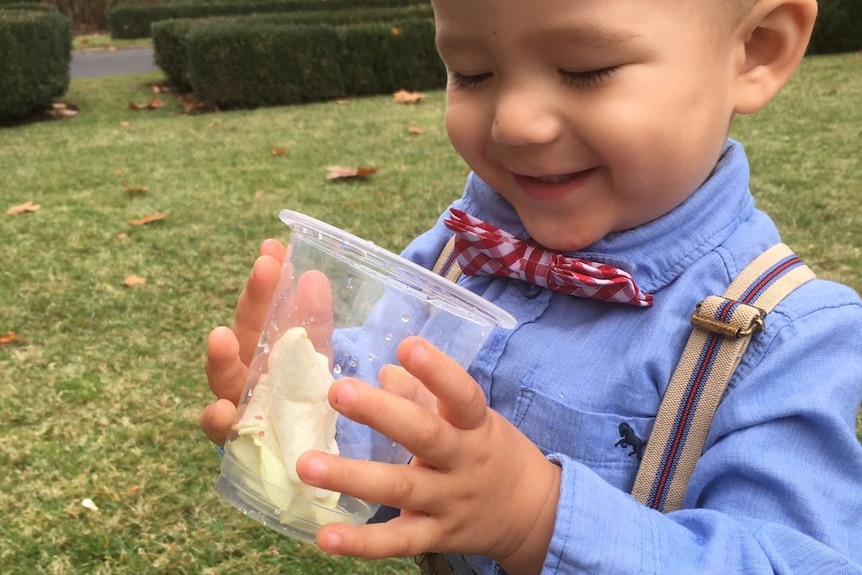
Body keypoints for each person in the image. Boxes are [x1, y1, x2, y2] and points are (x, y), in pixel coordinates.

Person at [201, 0, 862, 572]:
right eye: (472, 72)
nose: (514, 121)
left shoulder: (783, 334)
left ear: (757, 49)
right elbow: (392, 464)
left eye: (584, 68)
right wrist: (305, 405)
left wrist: (538, 516)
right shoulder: (456, 253)